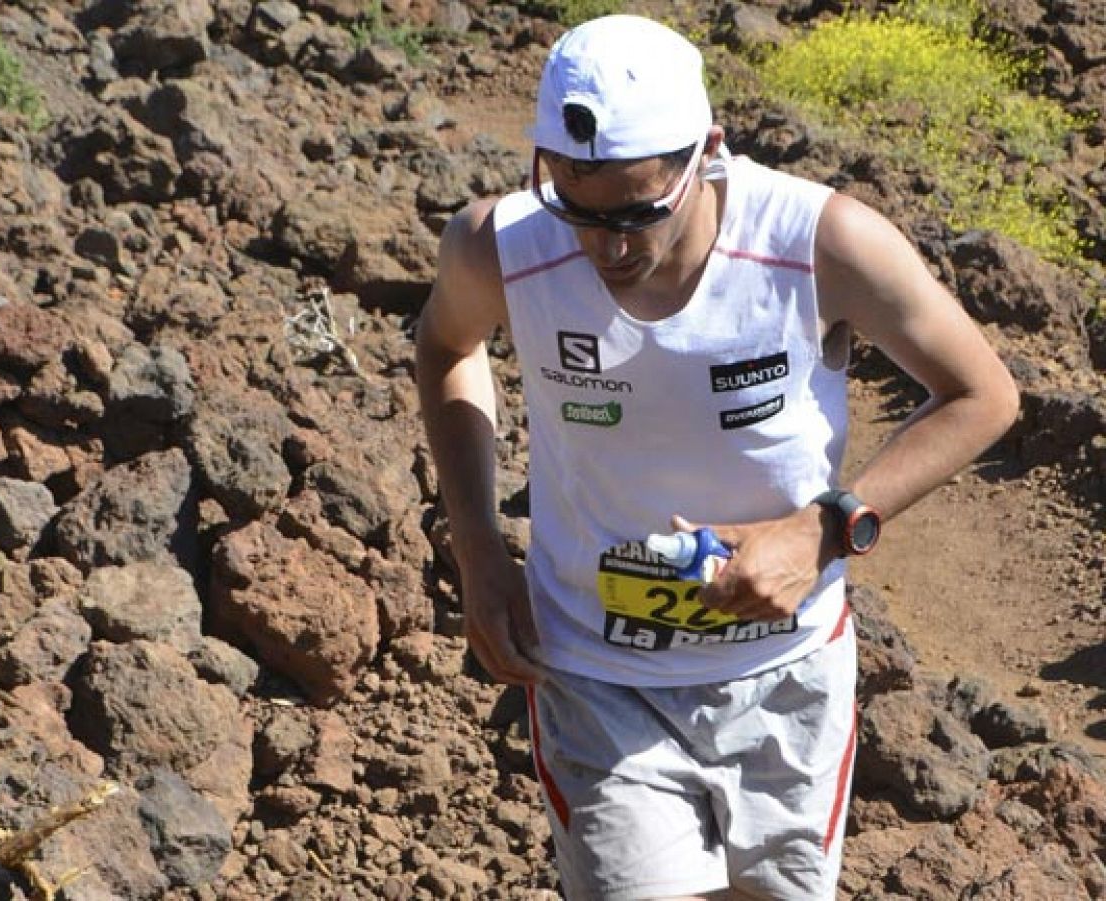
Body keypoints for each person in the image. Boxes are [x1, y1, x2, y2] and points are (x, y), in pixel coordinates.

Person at [414, 14, 1019, 901]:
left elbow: (984, 395)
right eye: (578, 210)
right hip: (595, 666)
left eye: (635, 213)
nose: (605, 246)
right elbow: (447, 347)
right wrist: (477, 546)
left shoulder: (818, 244)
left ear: (709, 152)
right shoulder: (502, 246)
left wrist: (824, 529)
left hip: (785, 678)